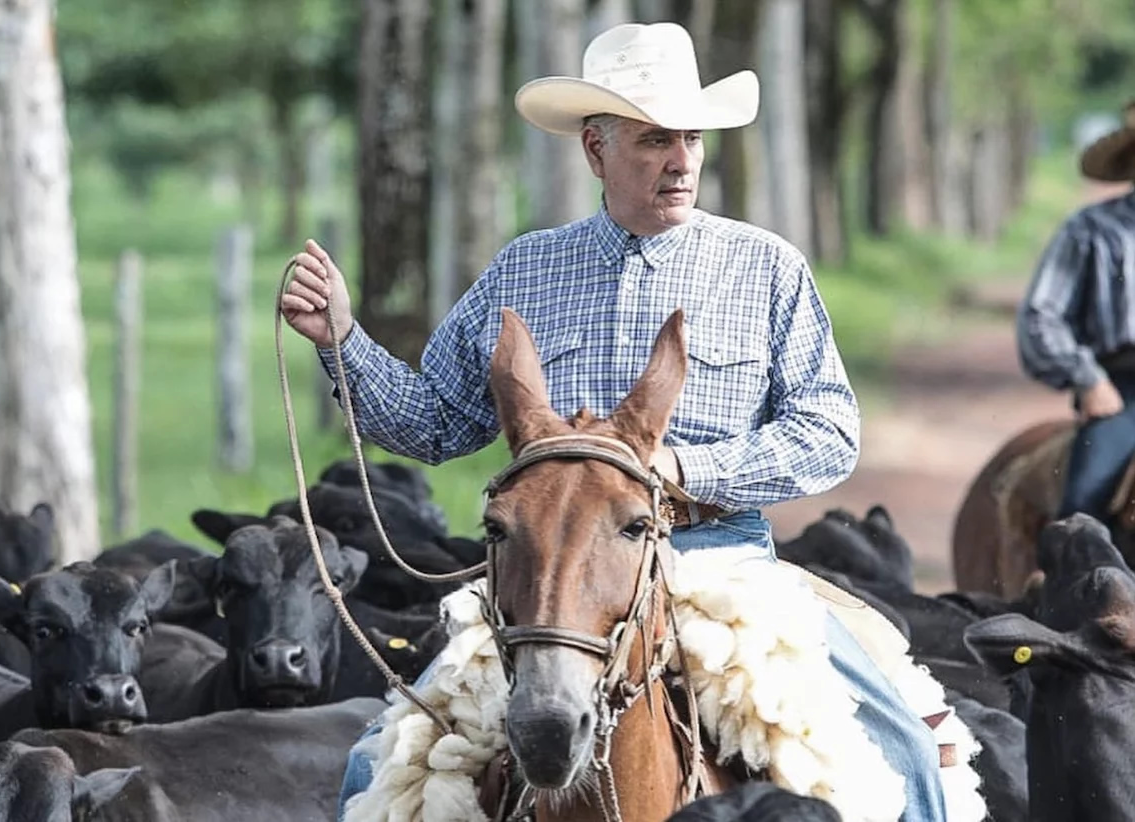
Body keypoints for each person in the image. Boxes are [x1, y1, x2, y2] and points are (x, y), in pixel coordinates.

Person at [282, 22, 947, 822]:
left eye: (692, 139)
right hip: (550, 589)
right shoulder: (524, 268)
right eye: (655, 140)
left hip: (723, 574)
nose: (681, 161)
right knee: (375, 772)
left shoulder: (766, 268)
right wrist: (343, 341)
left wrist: (684, 472)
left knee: (904, 755)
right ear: (596, 151)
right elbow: (435, 423)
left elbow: (829, 432)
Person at [1018, 101, 1135, 531]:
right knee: (1083, 511)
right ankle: (1069, 590)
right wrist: (1088, 378)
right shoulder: (1092, 231)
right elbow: (1041, 315)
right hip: (1123, 390)